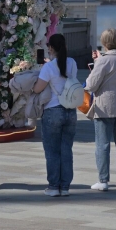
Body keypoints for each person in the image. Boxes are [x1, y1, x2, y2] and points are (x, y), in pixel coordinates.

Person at [85, 28, 116, 192]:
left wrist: (98, 62)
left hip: (105, 107)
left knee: (102, 145)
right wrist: (101, 59)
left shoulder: (103, 61)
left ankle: (103, 180)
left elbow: (91, 85)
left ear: (104, 43)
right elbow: (114, 69)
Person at [32, 34, 78, 197]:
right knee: (66, 149)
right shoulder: (72, 63)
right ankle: (65, 186)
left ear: (50, 48)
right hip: (70, 110)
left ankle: (53, 186)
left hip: (53, 110)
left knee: (52, 150)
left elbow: (38, 88)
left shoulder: (49, 68)